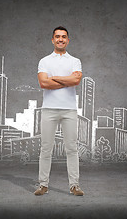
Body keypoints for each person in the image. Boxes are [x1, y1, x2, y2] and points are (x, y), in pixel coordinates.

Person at [34, 26, 84, 196]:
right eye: (57, 37)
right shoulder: (44, 61)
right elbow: (43, 83)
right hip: (49, 109)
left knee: (72, 149)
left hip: (69, 110)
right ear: (52, 40)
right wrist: (66, 80)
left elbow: (76, 80)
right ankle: (43, 185)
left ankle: (74, 185)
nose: (60, 39)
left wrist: (54, 78)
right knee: (46, 148)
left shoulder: (75, 61)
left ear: (68, 40)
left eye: (64, 37)